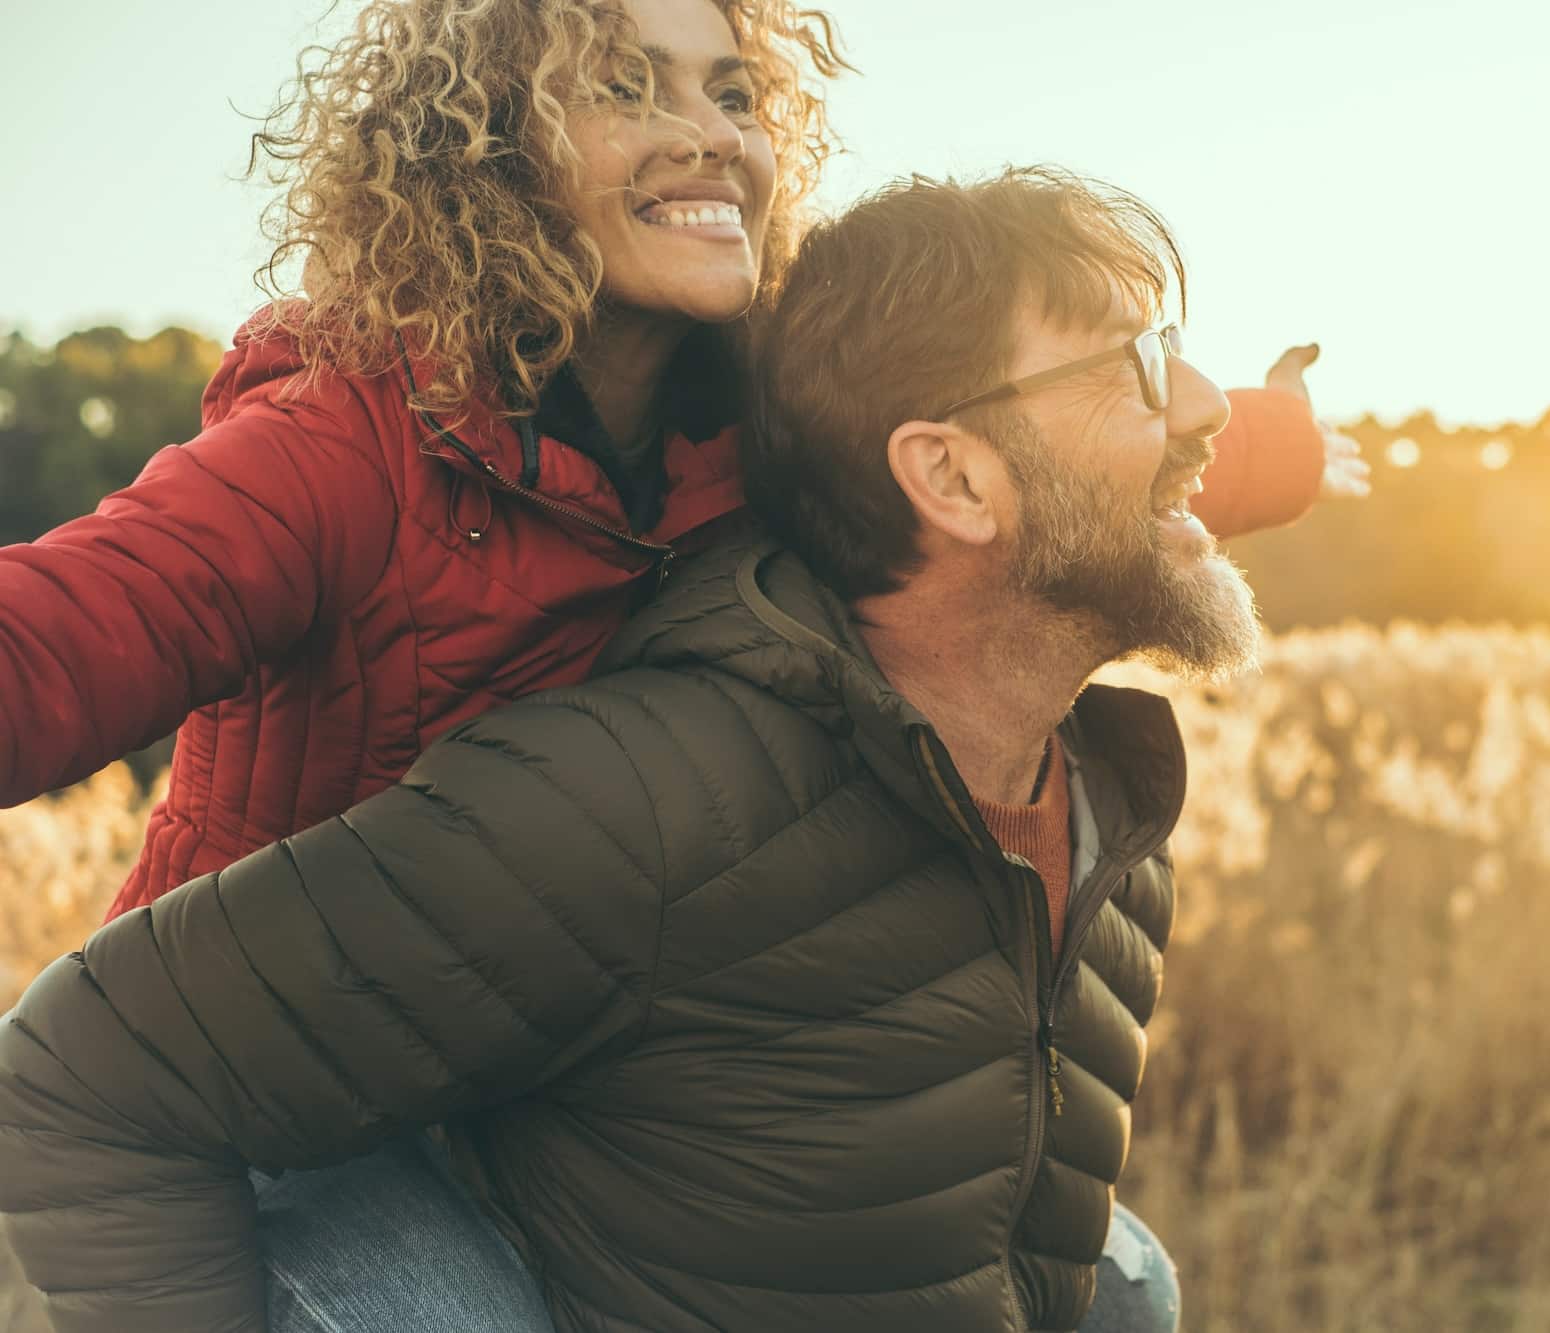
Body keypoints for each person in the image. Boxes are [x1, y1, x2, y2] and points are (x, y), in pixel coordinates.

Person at [2, 166, 1261, 1332]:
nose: (1204, 405)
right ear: (953, 479)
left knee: (1126, 1282)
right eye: (1136, 366)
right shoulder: (637, 804)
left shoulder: (1108, 806)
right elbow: (80, 1082)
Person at [0, 0, 1365, 927]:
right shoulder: (343, 443)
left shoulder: (763, 424)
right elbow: (59, 642)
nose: (713, 132)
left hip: (557, 1067)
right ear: (484, 148)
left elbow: (1038, 471)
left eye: (733, 91)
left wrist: (1271, 446)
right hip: (274, 1091)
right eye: (622, 85)